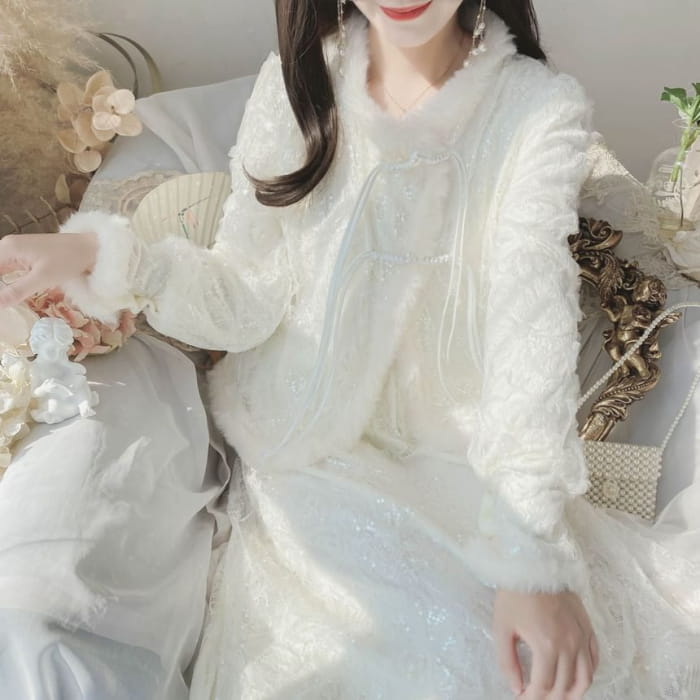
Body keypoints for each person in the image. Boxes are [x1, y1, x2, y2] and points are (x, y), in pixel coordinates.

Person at [1, 1, 699, 698]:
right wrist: (107, 257)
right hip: (304, 460)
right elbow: (244, 299)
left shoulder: (538, 111)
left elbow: (530, 337)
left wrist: (530, 558)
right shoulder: (299, 84)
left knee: (518, 668)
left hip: (468, 469)